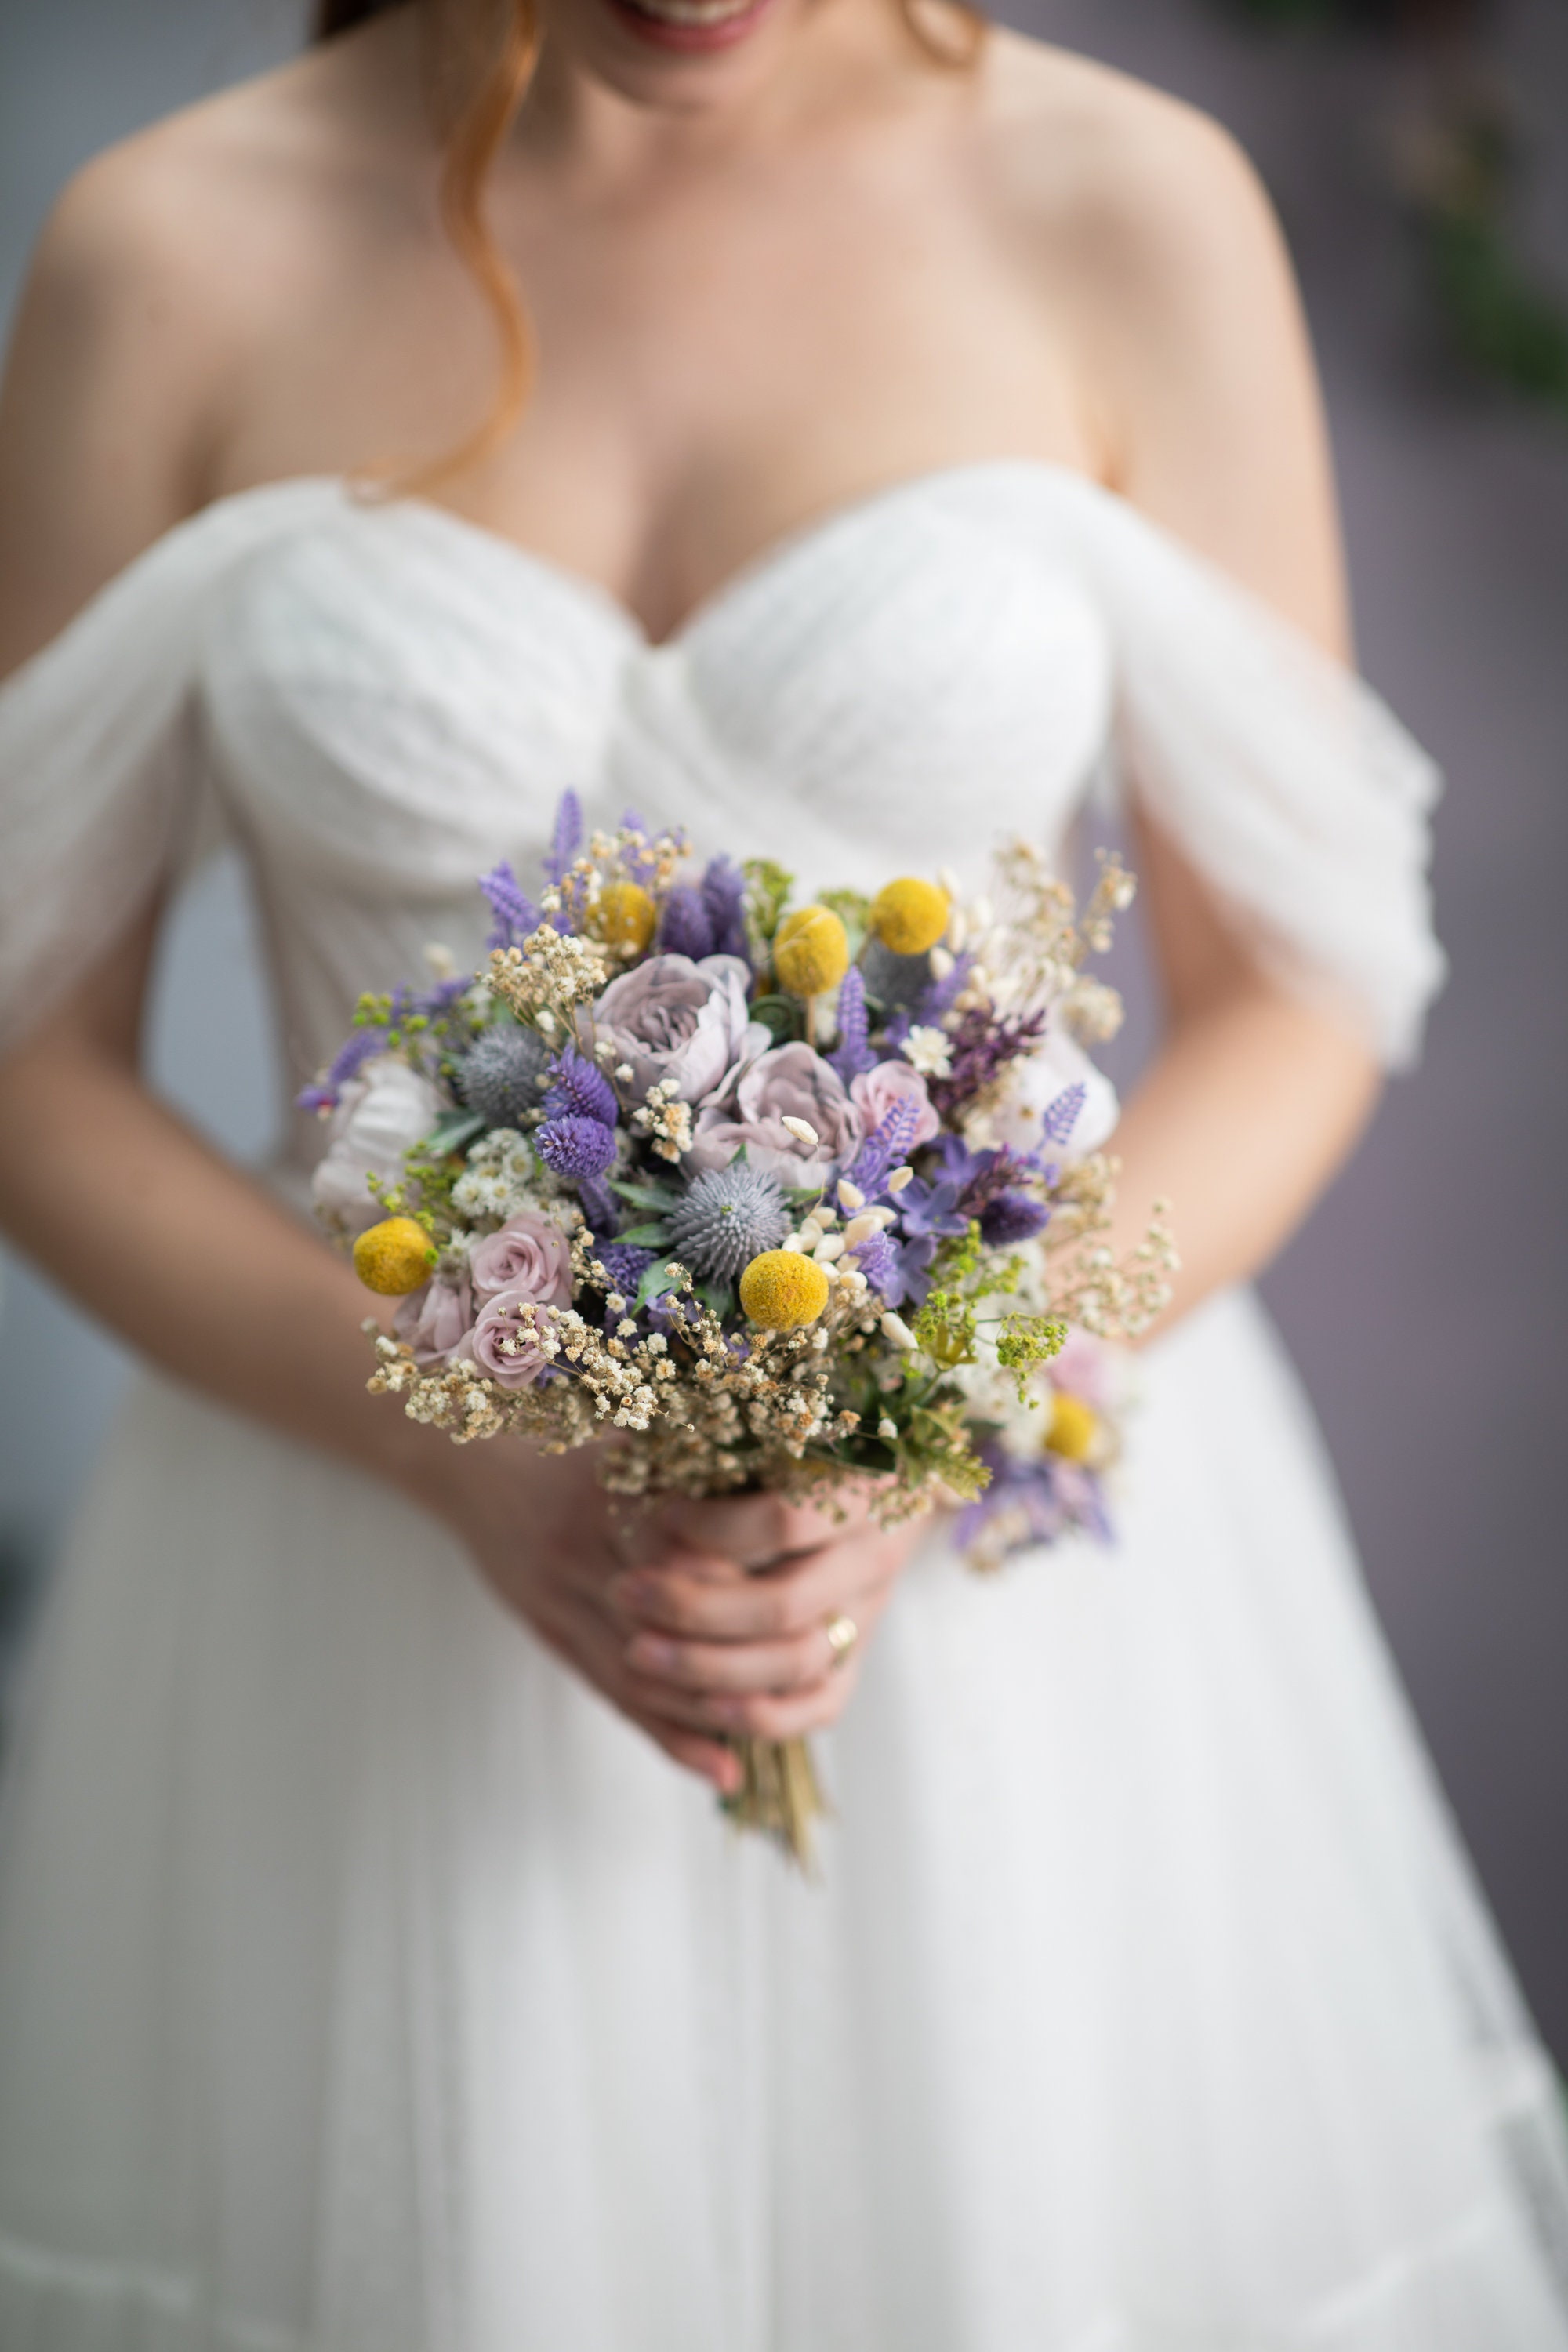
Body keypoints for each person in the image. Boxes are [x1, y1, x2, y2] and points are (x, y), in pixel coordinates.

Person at [0, 0, 1563, 2343]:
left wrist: (957, 1409)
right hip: (362, 1583)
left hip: (1027, 1619)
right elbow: (27, 1055)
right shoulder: (165, 251)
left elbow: (1297, 993)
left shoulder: (1125, 204)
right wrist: (471, 1467)